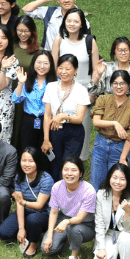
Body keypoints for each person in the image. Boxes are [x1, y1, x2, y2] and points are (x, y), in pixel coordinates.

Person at [50, 8, 99, 160]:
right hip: (62, 88)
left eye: (76, 21)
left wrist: (93, 90)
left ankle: (77, 163)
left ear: (82, 24)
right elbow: (53, 65)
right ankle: (58, 163)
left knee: (80, 126)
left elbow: (96, 69)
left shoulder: (89, 41)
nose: (72, 24)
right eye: (69, 20)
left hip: (82, 90)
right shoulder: (59, 39)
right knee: (59, 128)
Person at [0, 148, 53, 258]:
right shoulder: (19, 177)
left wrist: (22, 202)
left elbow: (39, 205)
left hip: (42, 213)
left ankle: (33, 243)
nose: (26, 164)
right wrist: (21, 229)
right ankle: (25, 230)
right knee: (3, 233)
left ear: (37, 162)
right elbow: (19, 204)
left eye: (31, 161)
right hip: (25, 210)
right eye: (23, 160)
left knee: (33, 220)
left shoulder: (46, 179)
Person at [42, 157, 96, 259]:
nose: (69, 173)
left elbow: (80, 218)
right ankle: (68, 239)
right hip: (63, 218)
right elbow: (54, 212)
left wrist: (66, 222)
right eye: (66, 169)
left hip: (85, 224)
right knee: (47, 249)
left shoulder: (89, 190)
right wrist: (50, 236)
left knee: (73, 228)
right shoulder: (57, 187)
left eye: (74, 170)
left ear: (81, 173)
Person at [42, 54, 90, 180]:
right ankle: (54, 196)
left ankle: (69, 195)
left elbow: (79, 118)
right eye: (61, 68)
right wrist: (46, 139)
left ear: (75, 70)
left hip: (74, 132)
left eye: (68, 69)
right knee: (55, 165)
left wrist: (64, 116)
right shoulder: (51, 87)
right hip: (55, 130)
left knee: (69, 166)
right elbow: (47, 115)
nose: (64, 72)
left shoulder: (81, 90)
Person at [89, 71, 130, 189]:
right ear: (111, 85)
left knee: (117, 184)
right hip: (100, 144)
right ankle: (96, 207)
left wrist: (123, 158)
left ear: (129, 86)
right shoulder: (103, 99)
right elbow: (96, 121)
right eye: (115, 83)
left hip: (120, 147)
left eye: (122, 83)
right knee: (96, 182)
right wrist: (115, 123)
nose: (119, 87)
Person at [21, 0, 89, 50]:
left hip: (70, 59)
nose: (66, 0)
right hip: (49, 56)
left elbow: (87, 44)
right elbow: (26, 10)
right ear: (58, 0)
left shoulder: (82, 20)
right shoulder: (49, 12)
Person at [12, 51, 56, 152]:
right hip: (29, 120)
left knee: (46, 152)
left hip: (48, 121)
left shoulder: (55, 82)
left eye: (46, 63)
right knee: (28, 150)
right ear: (33, 63)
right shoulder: (27, 80)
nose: (42, 66)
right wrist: (21, 83)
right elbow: (15, 99)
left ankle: (44, 168)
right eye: (39, 62)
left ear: (51, 65)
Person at [90, 37, 130, 104]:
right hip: (108, 108)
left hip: (127, 110)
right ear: (114, 53)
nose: (123, 53)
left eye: (126, 50)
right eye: (119, 50)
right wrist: (98, 75)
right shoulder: (107, 68)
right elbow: (94, 91)